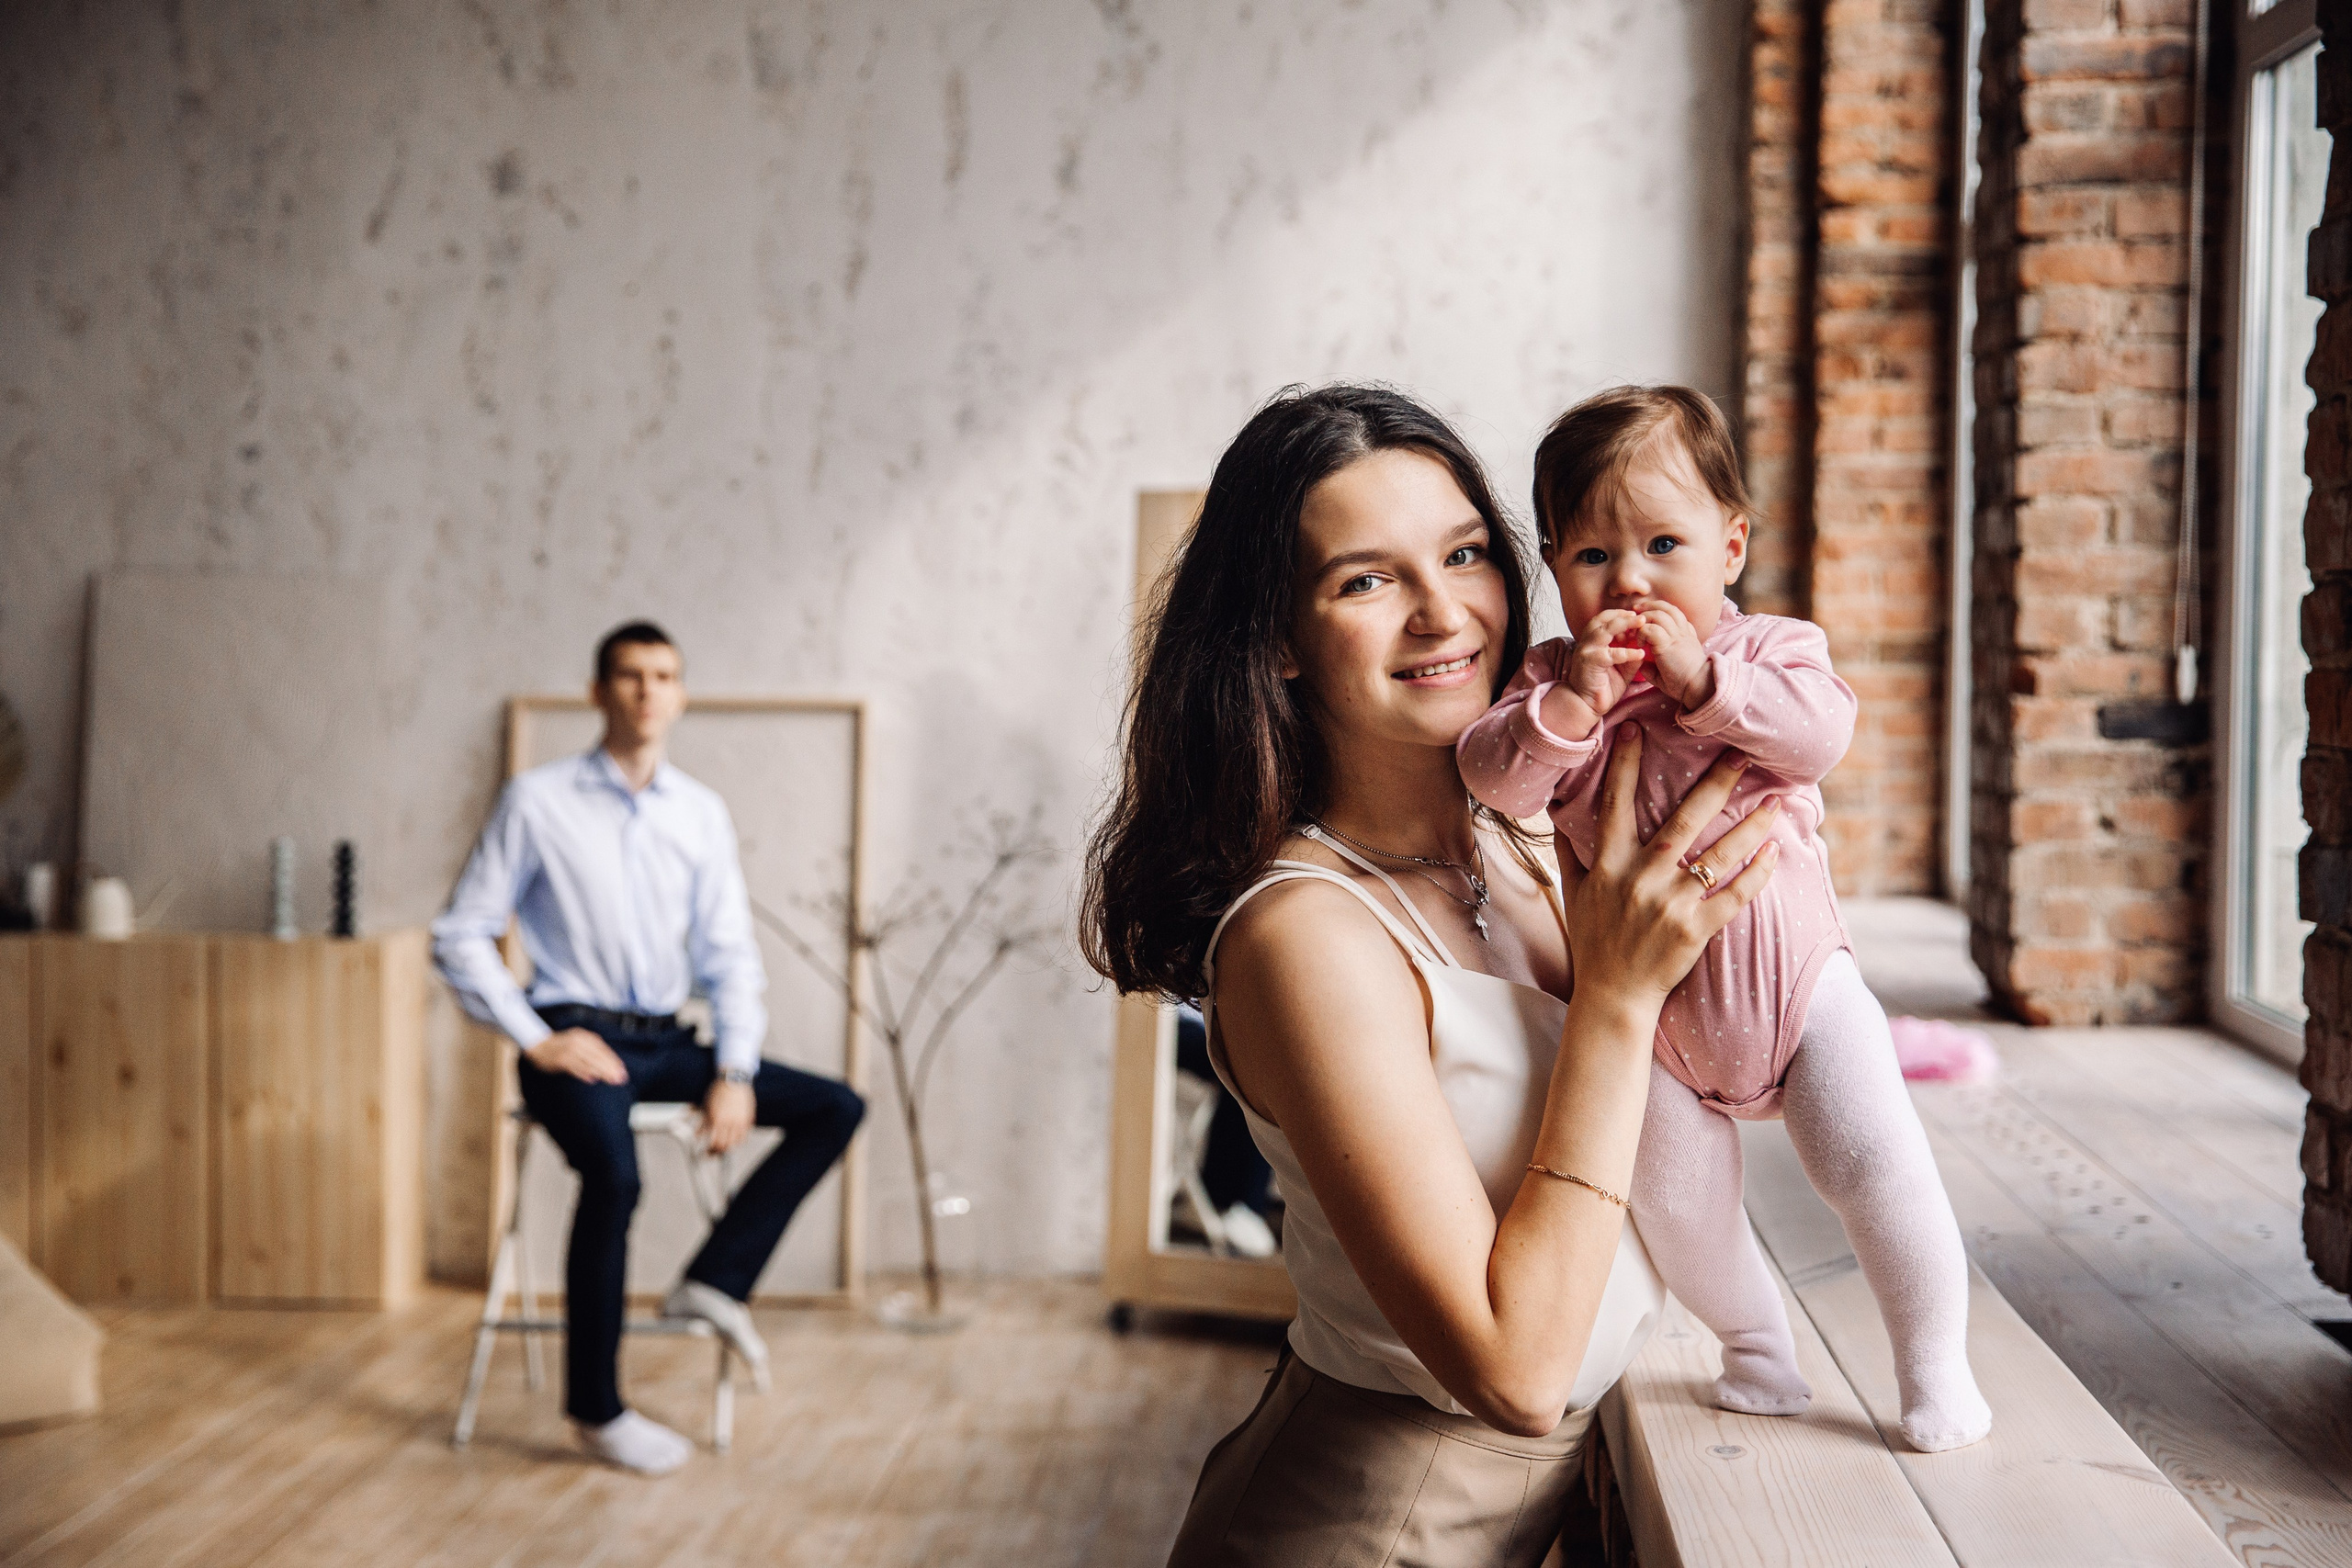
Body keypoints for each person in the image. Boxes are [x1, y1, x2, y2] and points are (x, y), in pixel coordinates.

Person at [1082, 385, 1781, 1566]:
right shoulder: (1303, 935)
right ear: (1277, 641)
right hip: (1364, 1533)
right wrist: (1615, 1001)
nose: (1443, 613)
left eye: (1464, 555)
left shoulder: (1527, 838)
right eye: (1366, 581)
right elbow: (1515, 1373)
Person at [1455, 385, 1988, 1452]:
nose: (1630, 581)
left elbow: (1821, 735)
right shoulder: (1549, 681)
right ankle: (1755, 1349)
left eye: (1664, 545)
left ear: (1731, 546)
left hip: (1800, 993)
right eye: (1592, 556)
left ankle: (1934, 1367)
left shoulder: (1771, 652)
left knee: (1872, 1164)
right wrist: (1568, 711)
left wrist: (1706, 683)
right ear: (1553, 568)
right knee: (1673, 1206)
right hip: (1652, 1031)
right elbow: (1492, 778)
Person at [434, 621, 865, 1476]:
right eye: (630, 675)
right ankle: (596, 1410)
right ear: (598, 692)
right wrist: (536, 1037)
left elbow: (730, 956)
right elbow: (460, 933)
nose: (647, 690)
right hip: (575, 1040)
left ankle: (714, 1280)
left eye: (664, 676)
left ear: (681, 695)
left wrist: (734, 1071)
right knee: (616, 1175)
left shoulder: (700, 812)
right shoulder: (538, 800)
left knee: (835, 1105)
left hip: (667, 1042)